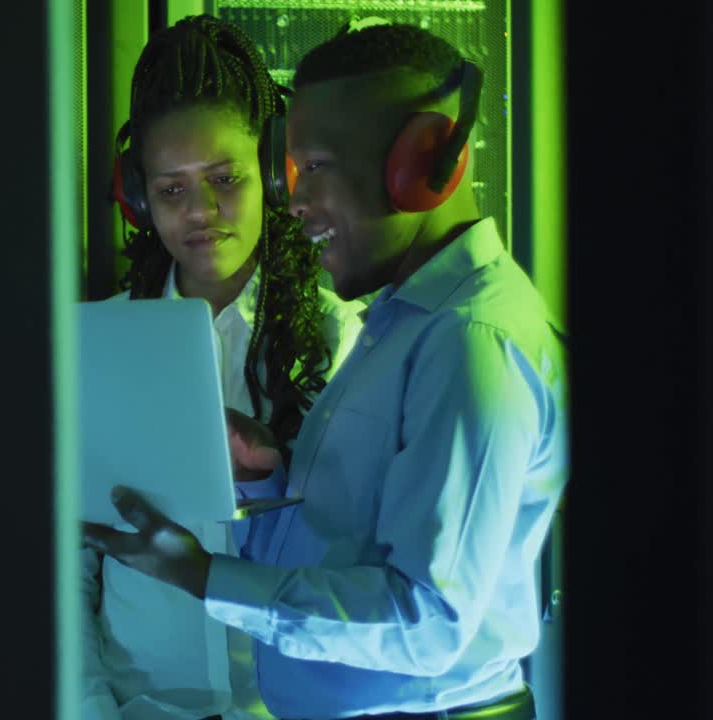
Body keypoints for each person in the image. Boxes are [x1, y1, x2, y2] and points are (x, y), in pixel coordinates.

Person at [85, 19, 568, 720]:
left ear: (424, 164)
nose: (297, 202)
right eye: (292, 171)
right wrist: (273, 475)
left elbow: (427, 622)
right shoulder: (405, 327)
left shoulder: (472, 341)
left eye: (314, 168)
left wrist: (205, 577)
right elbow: (353, 537)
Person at [82, 15, 366, 720]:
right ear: (140, 198)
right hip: (138, 705)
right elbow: (65, 562)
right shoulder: (97, 343)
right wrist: (90, 708)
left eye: (225, 178)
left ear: (275, 173)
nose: (202, 211)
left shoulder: (347, 339)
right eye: (172, 189)